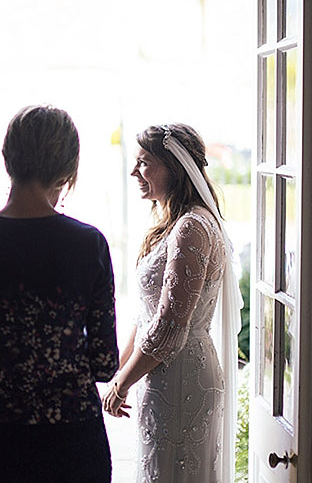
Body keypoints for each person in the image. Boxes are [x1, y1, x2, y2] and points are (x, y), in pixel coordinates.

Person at [0, 105, 119, 483]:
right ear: (68, 169)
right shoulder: (88, 244)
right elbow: (104, 363)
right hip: (70, 430)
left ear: (7, 159)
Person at [102, 123, 243, 483]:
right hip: (164, 373)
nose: (135, 172)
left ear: (174, 168)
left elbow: (168, 327)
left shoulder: (192, 227)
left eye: (144, 163)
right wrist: (117, 373)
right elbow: (147, 314)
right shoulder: (174, 223)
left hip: (182, 377)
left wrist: (123, 385)